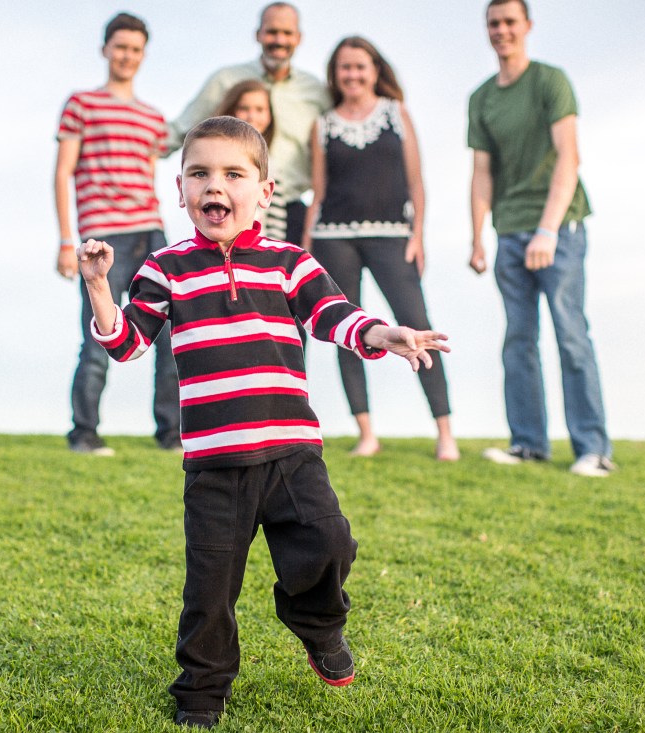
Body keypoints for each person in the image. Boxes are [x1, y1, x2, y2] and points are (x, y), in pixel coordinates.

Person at [76, 116, 450, 728]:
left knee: (329, 542)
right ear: (180, 190)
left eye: (232, 174)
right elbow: (126, 343)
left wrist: (384, 331)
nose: (213, 186)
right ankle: (201, 691)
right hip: (215, 466)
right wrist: (99, 289)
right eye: (199, 174)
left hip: (292, 455)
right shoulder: (164, 268)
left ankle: (318, 627)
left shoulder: (288, 263)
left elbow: (335, 315)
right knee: (209, 592)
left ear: (265, 190)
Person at [467, 0, 614, 477]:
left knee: (571, 336)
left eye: (510, 21)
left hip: (560, 228)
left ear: (527, 26)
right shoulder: (482, 97)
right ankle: (528, 443)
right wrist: (477, 238)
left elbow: (569, 157)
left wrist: (548, 229)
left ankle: (593, 450)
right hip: (508, 232)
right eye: (494, 23)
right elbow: (482, 174)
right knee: (518, 340)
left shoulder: (550, 81)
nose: (502, 30)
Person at [302, 37, 459, 462]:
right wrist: (306, 249)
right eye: (344, 68)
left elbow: (416, 181)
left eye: (360, 67)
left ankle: (445, 433)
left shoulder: (396, 113)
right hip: (334, 238)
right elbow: (318, 192)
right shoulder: (324, 124)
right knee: (347, 330)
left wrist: (418, 234)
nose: (352, 75)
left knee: (417, 324)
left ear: (375, 70)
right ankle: (366, 431)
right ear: (335, 75)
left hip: (393, 235)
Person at [53, 12, 180, 455]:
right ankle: (84, 433)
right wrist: (67, 241)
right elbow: (64, 172)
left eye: (135, 49)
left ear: (143, 55)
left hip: (152, 232)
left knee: (169, 336)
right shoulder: (81, 104)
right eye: (120, 46)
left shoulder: (153, 118)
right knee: (97, 335)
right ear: (105, 48)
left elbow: (149, 176)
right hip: (102, 236)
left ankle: (170, 433)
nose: (127, 55)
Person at [167, 2, 329, 247]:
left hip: (292, 208)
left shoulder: (315, 91)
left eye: (287, 33)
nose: (279, 40)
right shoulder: (227, 80)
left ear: (299, 38)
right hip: (234, 204)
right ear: (258, 35)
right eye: (272, 32)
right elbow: (181, 129)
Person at [214, 80, 290, 239]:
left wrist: (273, 250)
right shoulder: (215, 158)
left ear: (270, 115)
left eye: (260, 109)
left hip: (256, 250)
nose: (252, 116)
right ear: (231, 110)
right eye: (244, 108)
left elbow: (276, 218)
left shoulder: (271, 164)